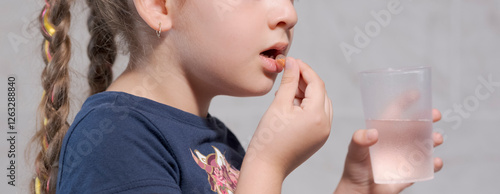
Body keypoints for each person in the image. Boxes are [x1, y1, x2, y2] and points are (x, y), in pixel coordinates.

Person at [31, 0, 444, 193]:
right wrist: (267, 162)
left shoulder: (218, 142)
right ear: (159, 6)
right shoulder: (114, 141)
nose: (289, 13)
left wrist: (355, 189)